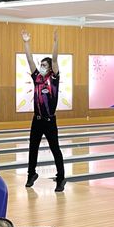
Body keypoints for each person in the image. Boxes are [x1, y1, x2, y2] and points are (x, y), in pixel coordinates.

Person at [21, 29, 66, 192]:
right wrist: (26, 43)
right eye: (41, 65)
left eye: (44, 65)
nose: (41, 67)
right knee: (33, 148)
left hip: (50, 120)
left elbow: (55, 59)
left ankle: (60, 178)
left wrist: (55, 42)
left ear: (50, 68)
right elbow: (29, 59)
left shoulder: (54, 78)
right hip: (37, 120)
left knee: (55, 149)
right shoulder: (37, 78)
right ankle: (31, 174)